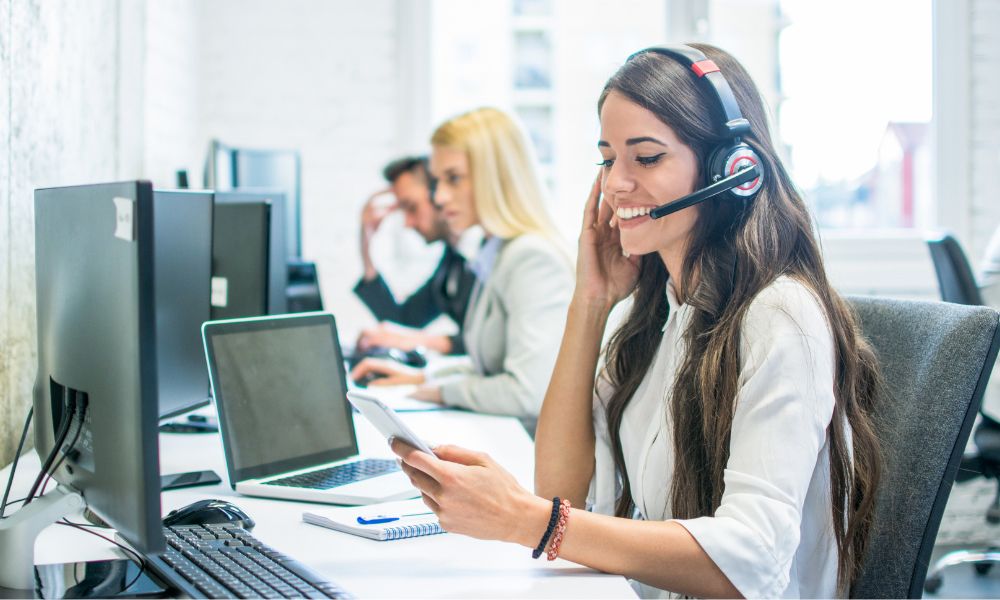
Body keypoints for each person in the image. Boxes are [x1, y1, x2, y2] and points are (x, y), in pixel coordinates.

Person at [387, 44, 883, 598]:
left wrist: (526, 520)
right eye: (607, 159)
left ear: (733, 170)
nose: (616, 184)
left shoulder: (778, 317)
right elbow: (561, 492)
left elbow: (752, 559)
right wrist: (590, 304)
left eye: (645, 158)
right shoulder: (657, 316)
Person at [351, 108, 574, 423]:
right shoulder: (494, 251)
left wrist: (436, 390)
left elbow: (527, 392)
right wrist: (424, 381)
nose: (440, 197)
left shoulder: (531, 257)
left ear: (494, 176)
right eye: (439, 181)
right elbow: (485, 365)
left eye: (453, 179)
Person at [354, 156, 477, 355]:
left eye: (411, 207)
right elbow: (404, 321)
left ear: (439, 197)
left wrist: (426, 341)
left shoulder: (487, 255)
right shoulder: (452, 261)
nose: (408, 223)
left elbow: (496, 345)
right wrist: (366, 249)